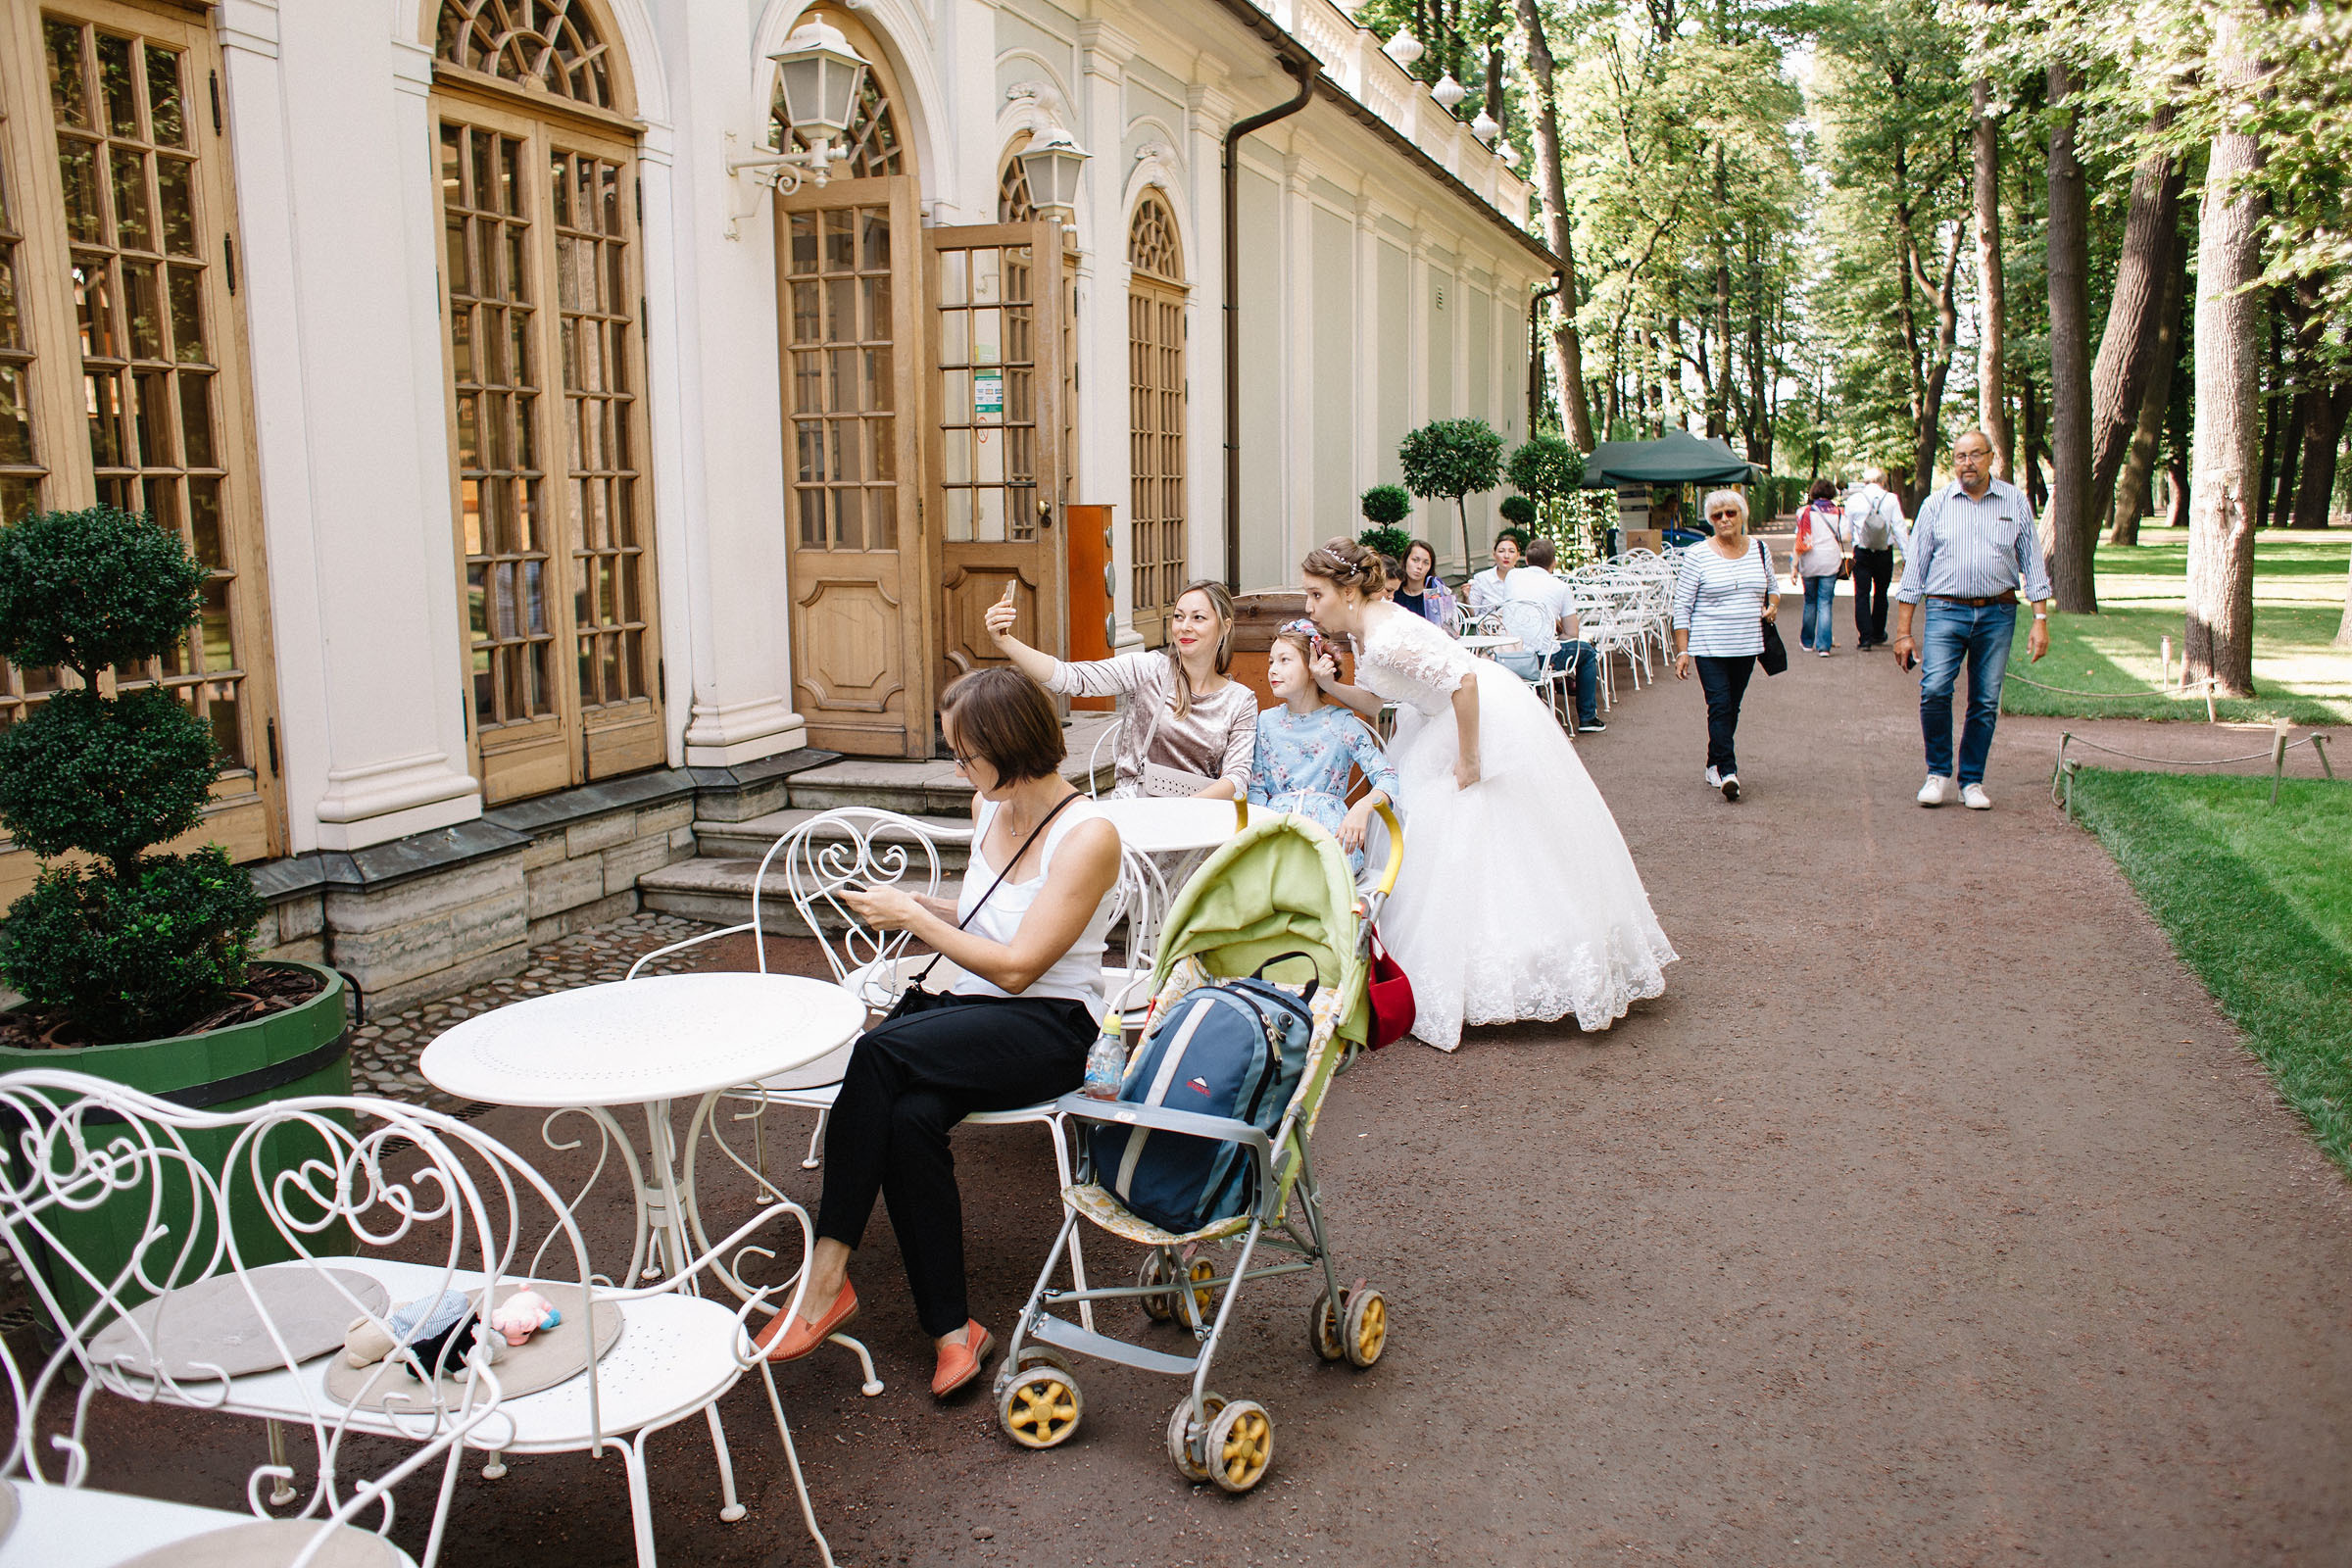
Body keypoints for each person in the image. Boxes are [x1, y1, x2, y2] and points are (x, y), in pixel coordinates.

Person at [754, 668, 1122, 1396]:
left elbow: (1020, 968)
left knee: (878, 1051)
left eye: (963, 753)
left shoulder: (1090, 835)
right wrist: (927, 905)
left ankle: (826, 1278)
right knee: (909, 1116)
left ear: (1008, 746)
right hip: (978, 1014)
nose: (958, 768)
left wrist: (916, 921)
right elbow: (990, 919)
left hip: (1051, 1026)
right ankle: (954, 1331)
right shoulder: (991, 806)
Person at [1298, 539, 1675, 1050]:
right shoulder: (1368, 631)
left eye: (1315, 594)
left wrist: (1471, 757)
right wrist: (1330, 686)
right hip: (1436, 718)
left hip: (1471, 718)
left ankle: (1505, 971)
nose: (1309, 606)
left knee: (1480, 839)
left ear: (1345, 591)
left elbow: (1464, 680)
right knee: (1448, 843)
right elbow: (1381, 699)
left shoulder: (1386, 636)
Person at [1891, 428, 2051, 810]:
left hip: (1998, 612)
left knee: (1984, 699)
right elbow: (1915, 571)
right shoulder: (1936, 505)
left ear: (1991, 457)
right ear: (1953, 461)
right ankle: (1937, 773)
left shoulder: (2014, 501)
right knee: (1934, 689)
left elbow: (2033, 563)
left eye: (1975, 455)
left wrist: (2040, 619)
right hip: (1946, 610)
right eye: (1960, 456)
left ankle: (1972, 781)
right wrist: (1903, 632)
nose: (1967, 463)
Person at [986, 579, 1253, 799]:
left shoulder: (1240, 700)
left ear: (1224, 627)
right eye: (1179, 617)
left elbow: (1237, 777)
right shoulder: (1148, 669)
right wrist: (1006, 643)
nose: (1185, 627)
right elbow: (1072, 678)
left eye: (1198, 618)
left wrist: (1186, 811)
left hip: (1200, 816)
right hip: (1139, 810)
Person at [1249, 625, 1398, 873]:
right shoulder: (1266, 722)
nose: (1273, 669)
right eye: (1271, 661)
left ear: (1313, 668)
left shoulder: (1341, 723)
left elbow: (1388, 778)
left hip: (1330, 835)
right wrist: (1259, 830)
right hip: (1276, 832)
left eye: (1285, 660)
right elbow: (1257, 787)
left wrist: (1362, 807)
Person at [1671, 489, 1779, 802]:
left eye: (1730, 513)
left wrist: (1772, 606)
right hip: (1709, 646)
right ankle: (1728, 772)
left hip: (1747, 643)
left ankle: (1712, 762)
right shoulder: (1697, 554)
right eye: (1717, 516)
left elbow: (1773, 588)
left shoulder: (1759, 549)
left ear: (1742, 514)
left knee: (1732, 707)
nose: (1724, 520)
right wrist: (1683, 651)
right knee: (1719, 705)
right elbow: (1682, 606)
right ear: (1710, 521)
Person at [1495, 537, 1603, 732]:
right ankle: (1588, 717)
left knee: (1542, 645)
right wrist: (1555, 632)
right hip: (1542, 658)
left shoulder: (1512, 577)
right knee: (1587, 653)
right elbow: (1572, 634)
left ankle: (1536, 703)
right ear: (1553, 563)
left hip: (1510, 654)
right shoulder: (1560, 587)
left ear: (1526, 561)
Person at [1844, 466, 1908, 650]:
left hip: (1862, 552)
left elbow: (1847, 530)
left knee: (1862, 594)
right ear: (1883, 481)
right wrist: (1907, 556)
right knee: (1881, 593)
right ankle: (1878, 633)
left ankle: (1864, 638)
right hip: (1883, 552)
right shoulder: (1891, 499)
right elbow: (1899, 528)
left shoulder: (1855, 499)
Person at [1792, 479, 1848, 657]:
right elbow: (1846, 536)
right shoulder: (1839, 513)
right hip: (1830, 561)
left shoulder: (1804, 512)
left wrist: (1794, 566)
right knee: (1825, 602)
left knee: (1810, 601)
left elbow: (1799, 540)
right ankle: (1824, 646)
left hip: (1808, 560)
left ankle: (1807, 641)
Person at [1392, 539, 1460, 630]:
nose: (1419, 566)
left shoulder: (1434, 592)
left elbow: (1448, 629)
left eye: (1426, 563)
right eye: (1415, 560)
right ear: (1405, 560)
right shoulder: (1394, 590)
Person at [1463, 534, 1521, 617]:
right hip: (1486, 627)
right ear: (1494, 555)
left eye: (1511, 551)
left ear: (1518, 556)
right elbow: (1471, 614)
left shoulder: (1523, 579)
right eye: (1501, 551)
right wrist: (1466, 598)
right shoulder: (1481, 578)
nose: (1506, 556)